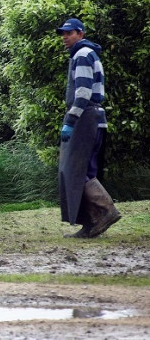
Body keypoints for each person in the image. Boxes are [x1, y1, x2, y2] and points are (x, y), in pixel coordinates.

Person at [56, 18, 121, 239]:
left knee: (75, 172)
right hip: (95, 118)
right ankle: (93, 223)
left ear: (80, 34)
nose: (64, 37)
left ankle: (106, 211)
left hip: (85, 119)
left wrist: (70, 122)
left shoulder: (82, 55)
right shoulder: (89, 53)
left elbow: (83, 94)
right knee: (87, 172)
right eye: (63, 33)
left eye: (69, 33)